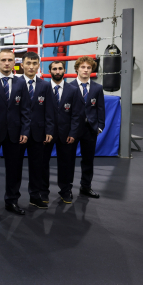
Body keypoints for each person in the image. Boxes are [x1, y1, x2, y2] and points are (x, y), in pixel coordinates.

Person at [0, 49, 31, 215]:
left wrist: (25, 130)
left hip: (15, 133)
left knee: (15, 170)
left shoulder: (21, 83)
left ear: (14, 63)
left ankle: (12, 201)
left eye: (9, 60)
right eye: (3, 60)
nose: (6, 63)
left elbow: (26, 109)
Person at [43, 61, 83, 204]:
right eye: (54, 69)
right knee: (43, 163)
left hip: (67, 134)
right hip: (46, 133)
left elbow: (77, 114)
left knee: (67, 163)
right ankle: (43, 192)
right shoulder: (43, 88)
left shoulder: (73, 90)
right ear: (50, 71)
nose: (57, 71)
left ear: (64, 70)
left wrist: (73, 133)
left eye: (60, 68)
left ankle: (66, 190)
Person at [20, 52, 55, 209]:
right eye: (28, 63)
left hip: (38, 132)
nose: (31, 66)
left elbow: (49, 110)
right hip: (18, 132)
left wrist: (49, 130)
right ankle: (12, 198)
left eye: (34, 63)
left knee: (37, 167)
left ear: (38, 66)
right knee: (15, 167)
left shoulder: (45, 85)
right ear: (22, 65)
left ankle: (35, 196)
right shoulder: (15, 83)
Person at [72, 56, 104, 199]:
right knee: (68, 160)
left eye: (88, 68)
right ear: (77, 69)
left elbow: (100, 108)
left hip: (90, 129)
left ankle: (86, 187)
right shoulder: (69, 86)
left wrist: (100, 127)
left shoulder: (97, 88)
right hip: (73, 129)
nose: (85, 70)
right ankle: (66, 188)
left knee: (88, 160)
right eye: (83, 67)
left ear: (92, 70)